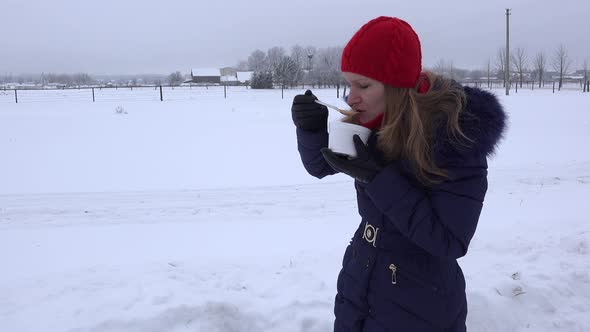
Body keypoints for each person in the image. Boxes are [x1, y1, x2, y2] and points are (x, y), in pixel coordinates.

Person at [291, 16, 506, 332]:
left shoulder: (455, 139)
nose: (350, 97)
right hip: (362, 282)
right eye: (349, 84)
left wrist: (379, 179)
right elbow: (323, 166)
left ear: (396, 86)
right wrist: (311, 131)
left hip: (420, 305)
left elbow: (449, 241)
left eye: (363, 85)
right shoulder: (374, 122)